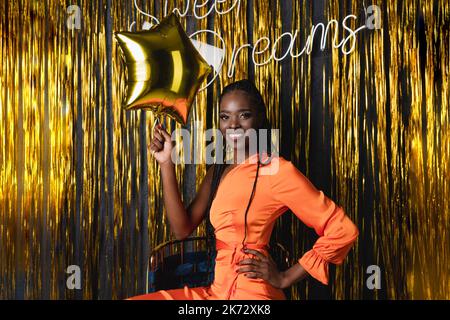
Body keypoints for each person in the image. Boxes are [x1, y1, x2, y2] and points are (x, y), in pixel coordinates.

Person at [128, 79, 359, 300]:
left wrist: (285, 277)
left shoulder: (276, 170)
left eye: (244, 115)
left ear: (259, 119)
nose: (233, 125)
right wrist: (166, 162)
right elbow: (182, 229)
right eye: (225, 117)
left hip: (251, 293)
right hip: (216, 291)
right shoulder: (217, 171)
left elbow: (343, 230)